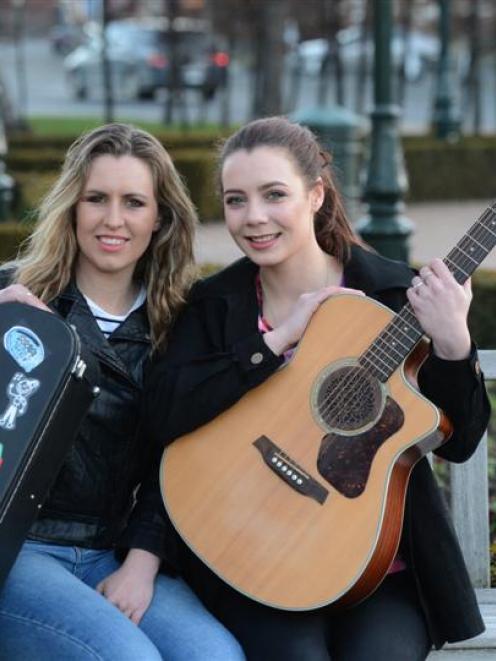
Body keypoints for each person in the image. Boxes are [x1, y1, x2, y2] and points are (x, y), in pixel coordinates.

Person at [142, 116, 491, 661]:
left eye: (274, 195)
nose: (254, 217)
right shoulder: (214, 305)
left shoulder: (393, 295)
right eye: (236, 200)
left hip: (378, 569)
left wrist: (453, 344)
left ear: (316, 194)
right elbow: (165, 412)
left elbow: (459, 441)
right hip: (248, 554)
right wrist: (273, 343)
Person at [0, 123, 244, 661]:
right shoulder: (17, 297)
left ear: (159, 218)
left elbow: (183, 456)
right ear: (72, 208)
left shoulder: (180, 324)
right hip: (17, 550)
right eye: (96, 199)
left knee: (216, 656)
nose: (113, 220)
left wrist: (141, 562)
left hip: (116, 552)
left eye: (134, 202)